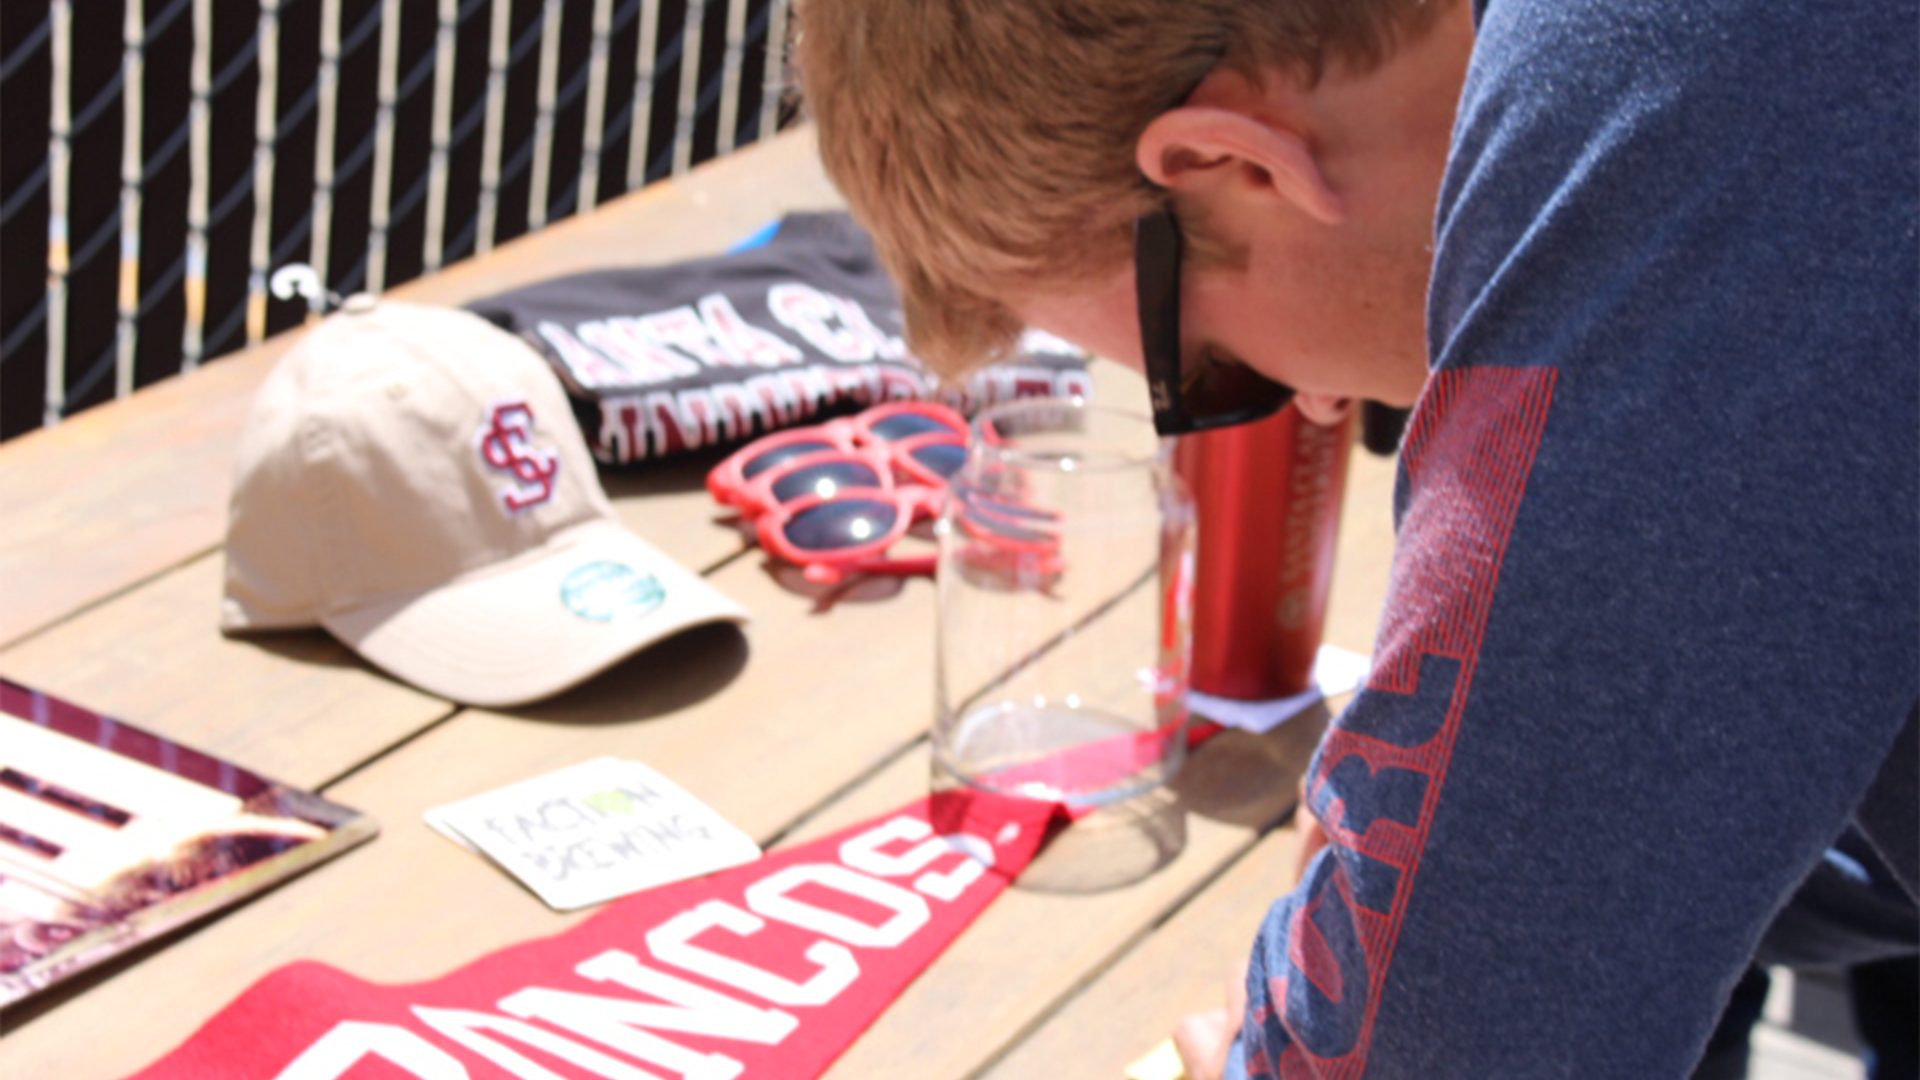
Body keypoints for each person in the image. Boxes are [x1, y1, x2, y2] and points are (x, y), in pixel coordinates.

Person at [791, 0, 1920, 1077]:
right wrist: (1436, 855)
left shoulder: (1660, 101)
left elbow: (1460, 1046)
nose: (1311, 406)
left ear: (1237, 165)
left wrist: (1379, 960)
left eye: (1215, 370)